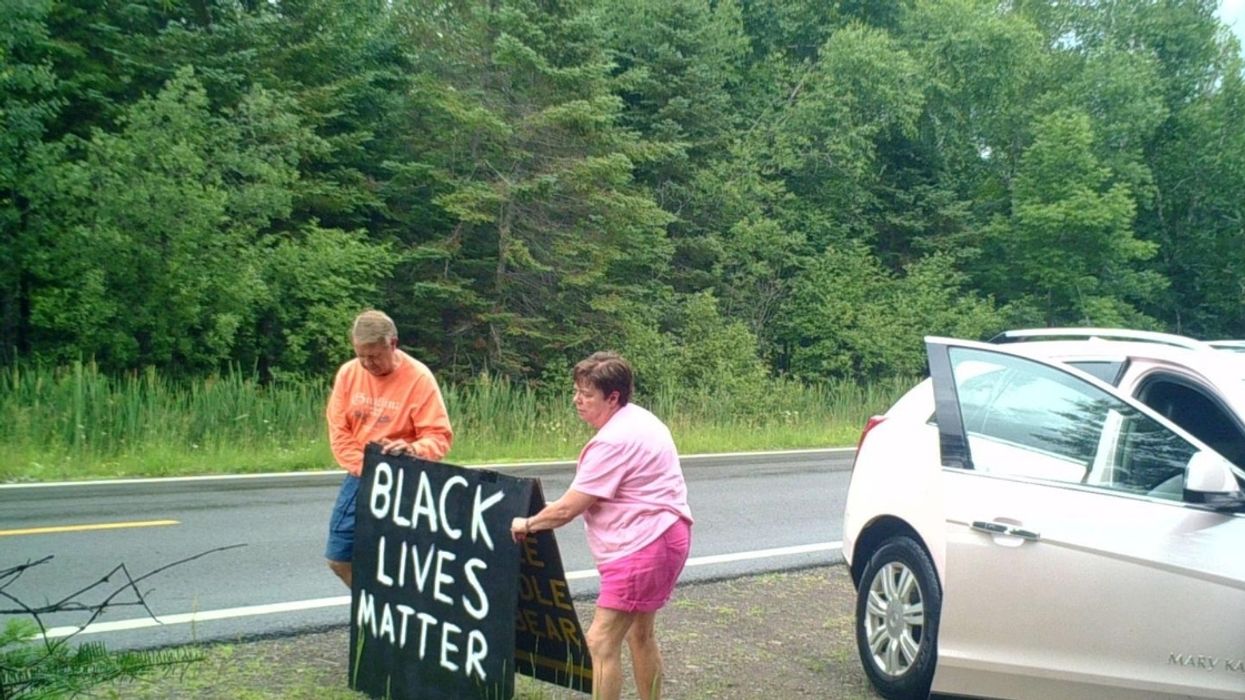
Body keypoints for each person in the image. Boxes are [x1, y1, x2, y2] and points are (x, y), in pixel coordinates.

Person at [510, 351, 693, 700]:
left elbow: (568, 509)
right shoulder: (640, 419)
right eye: (576, 391)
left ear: (613, 397)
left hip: (642, 545)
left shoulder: (613, 441)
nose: (577, 400)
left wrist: (528, 522)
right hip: (668, 534)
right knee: (640, 634)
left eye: (587, 394)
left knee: (600, 641)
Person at [324, 309, 453, 588]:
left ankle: (400, 607)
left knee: (403, 561)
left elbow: (439, 436)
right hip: (362, 475)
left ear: (392, 344)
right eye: (361, 356)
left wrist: (413, 449)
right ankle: (370, 603)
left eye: (374, 356)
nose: (367, 364)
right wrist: (368, 468)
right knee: (339, 557)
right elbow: (339, 431)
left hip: (408, 478)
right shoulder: (348, 373)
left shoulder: (418, 378)